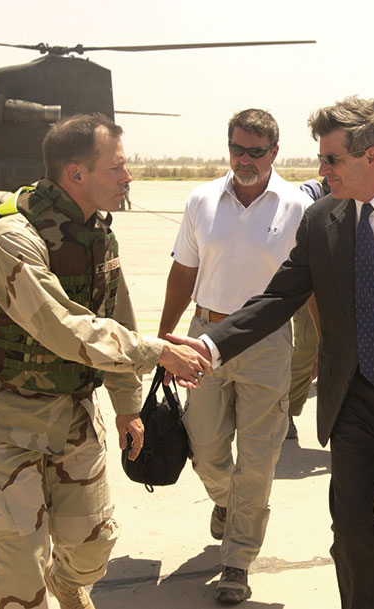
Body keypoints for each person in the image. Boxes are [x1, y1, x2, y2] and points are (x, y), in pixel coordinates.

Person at [167, 96, 374, 609]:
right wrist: (211, 345)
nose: (321, 170)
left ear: (371, 156)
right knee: (348, 527)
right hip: (355, 396)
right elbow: (280, 296)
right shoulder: (322, 219)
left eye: (331, 159)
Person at [0, 113, 210, 609]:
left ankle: (68, 584)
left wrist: (129, 405)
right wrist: (158, 353)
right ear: (76, 174)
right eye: (118, 168)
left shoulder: (98, 236)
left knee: (93, 549)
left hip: (72, 416)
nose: (128, 177)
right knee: (21, 566)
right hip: (4, 421)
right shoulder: (13, 237)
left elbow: (118, 316)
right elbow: (65, 328)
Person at [156, 109, 312, 603]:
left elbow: (311, 289)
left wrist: (328, 349)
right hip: (205, 337)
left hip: (267, 345)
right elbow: (184, 271)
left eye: (256, 152)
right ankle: (226, 502)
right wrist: (163, 339)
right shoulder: (201, 199)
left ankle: (237, 560)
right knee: (204, 450)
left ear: (275, 153)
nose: (245, 160)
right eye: (237, 149)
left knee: (259, 457)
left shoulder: (296, 207)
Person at [287, 178, 330, 439]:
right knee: (306, 351)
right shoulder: (308, 196)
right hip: (311, 290)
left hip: (342, 289)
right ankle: (286, 413)